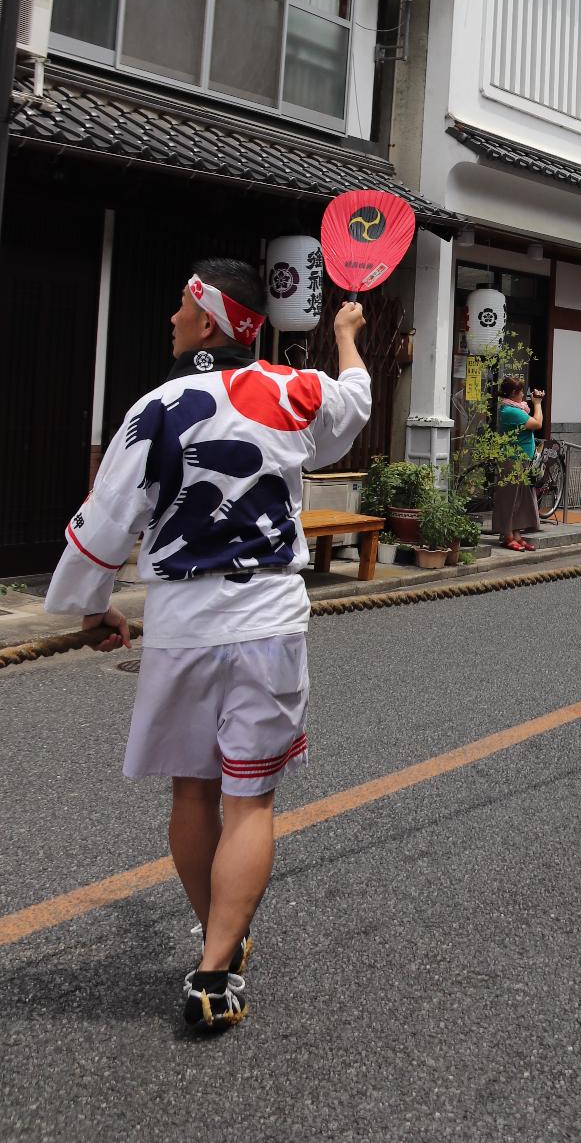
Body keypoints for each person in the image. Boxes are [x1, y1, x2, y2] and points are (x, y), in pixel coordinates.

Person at [43, 258, 371, 1032]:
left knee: (192, 791)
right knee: (249, 797)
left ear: (213, 321)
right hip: (268, 618)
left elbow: (108, 516)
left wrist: (92, 610)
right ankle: (215, 967)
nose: (171, 321)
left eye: (181, 310)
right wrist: (348, 335)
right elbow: (353, 403)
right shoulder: (295, 393)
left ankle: (221, 935)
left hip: (183, 622)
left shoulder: (156, 407)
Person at [494, 377, 544, 553]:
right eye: (521, 392)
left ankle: (516, 535)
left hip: (522, 459)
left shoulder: (516, 408)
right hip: (512, 460)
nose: (523, 395)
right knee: (509, 499)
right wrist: (538, 404)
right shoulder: (509, 411)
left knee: (520, 499)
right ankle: (507, 536)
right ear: (514, 393)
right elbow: (537, 424)